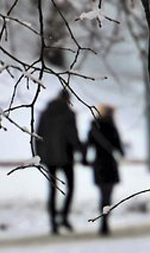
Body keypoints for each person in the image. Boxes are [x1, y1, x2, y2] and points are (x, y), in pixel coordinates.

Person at [35, 89, 82, 235]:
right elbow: (72, 135)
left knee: (52, 190)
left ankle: (53, 222)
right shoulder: (69, 114)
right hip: (66, 157)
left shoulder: (45, 113)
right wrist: (81, 150)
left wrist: (39, 155)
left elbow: (38, 135)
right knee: (71, 187)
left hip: (49, 158)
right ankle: (64, 216)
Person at [84, 105, 124, 236]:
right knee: (108, 195)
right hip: (110, 164)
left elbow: (87, 144)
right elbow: (118, 146)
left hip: (98, 164)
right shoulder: (112, 127)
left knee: (102, 194)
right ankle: (105, 222)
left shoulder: (94, 128)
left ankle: (103, 221)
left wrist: (84, 160)